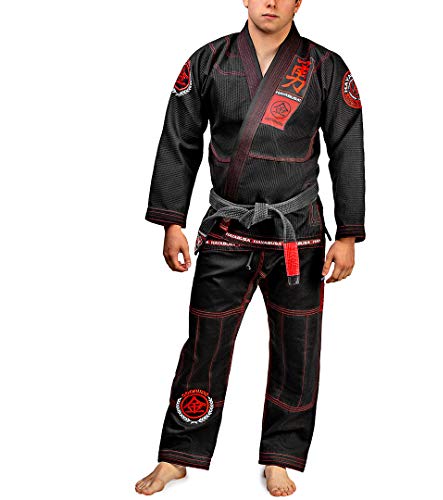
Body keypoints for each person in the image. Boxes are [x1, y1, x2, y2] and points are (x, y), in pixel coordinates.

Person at [136, 0, 365, 496]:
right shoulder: (209, 61)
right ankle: (179, 454)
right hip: (228, 228)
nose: (271, 2)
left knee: (297, 350)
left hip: (298, 233)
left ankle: (280, 458)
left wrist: (348, 233)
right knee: (204, 345)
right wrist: (172, 222)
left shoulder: (325, 67)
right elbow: (179, 140)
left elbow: (347, 148)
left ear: (299, 2)